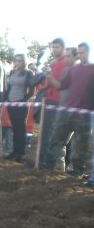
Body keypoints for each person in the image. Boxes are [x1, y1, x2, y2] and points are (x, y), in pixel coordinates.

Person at [45, 42, 94, 176]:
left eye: (82, 52)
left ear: (89, 52)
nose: (79, 55)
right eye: (78, 53)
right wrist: (49, 76)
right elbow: (61, 85)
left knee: (81, 144)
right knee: (56, 138)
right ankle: (48, 166)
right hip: (68, 110)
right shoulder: (73, 69)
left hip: (84, 113)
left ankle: (77, 171)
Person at [38, 38, 67, 167]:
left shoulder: (66, 63)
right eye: (53, 47)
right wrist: (44, 75)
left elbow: (61, 84)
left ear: (63, 48)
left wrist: (49, 76)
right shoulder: (52, 63)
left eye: (57, 47)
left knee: (55, 132)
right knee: (45, 131)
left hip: (59, 101)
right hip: (48, 99)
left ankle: (56, 162)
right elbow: (45, 83)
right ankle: (43, 159)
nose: (54, 49)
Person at [3, 54, 35, 162]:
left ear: (24, 62)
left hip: (21, 105)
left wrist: (23, 100)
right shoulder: (12, 72)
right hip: (11, 104)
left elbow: (32, 91)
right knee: (14, 129)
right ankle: (14, 151)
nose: (18, 62)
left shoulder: (28, 73)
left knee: (21, 129)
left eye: (20, 61)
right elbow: (9, 88)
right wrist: (6, 99)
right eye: (16, 60)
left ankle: (21, 154)